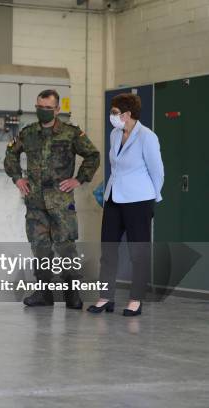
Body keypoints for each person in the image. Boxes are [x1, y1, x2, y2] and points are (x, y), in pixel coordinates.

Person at [4, 89, 100, 309]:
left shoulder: (71, 133)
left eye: (48, 108)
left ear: (57, 109)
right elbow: (11, 154)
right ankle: (43, 294)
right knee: (40, 248)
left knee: (66, 247)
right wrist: (18, 178)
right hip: (35, 203)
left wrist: (79, 179)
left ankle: (72, 294)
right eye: (40, 107)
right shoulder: (28, 133)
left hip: (61, 203)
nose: (43, 112)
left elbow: (93, 155)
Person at [88, 93, 163, 316]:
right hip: (114, 198)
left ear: (127, 114)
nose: (112, 116)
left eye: (114, 113)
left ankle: (135, 299)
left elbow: (157, 171)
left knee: (137, 252)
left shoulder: (147, 137)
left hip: (139, 200)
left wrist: (152, 197)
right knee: (108, 250)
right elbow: (116, 166)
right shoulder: (115, 134)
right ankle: (105, 297)